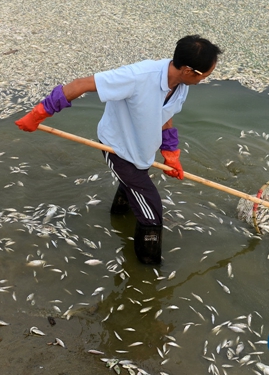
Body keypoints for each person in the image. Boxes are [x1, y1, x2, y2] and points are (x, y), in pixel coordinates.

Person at [15, 35, 222, 265]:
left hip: (141, 150)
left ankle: (118, 215)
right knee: (152, 215)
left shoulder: (180, 85)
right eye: (205, 75)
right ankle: (147, 275)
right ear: (187, 70)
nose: (205, 79)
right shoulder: (138, 76)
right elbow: (80, 85)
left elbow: (165, 115)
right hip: (117, 148)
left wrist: (171, 153)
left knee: (132, 186)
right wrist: (39, 114)